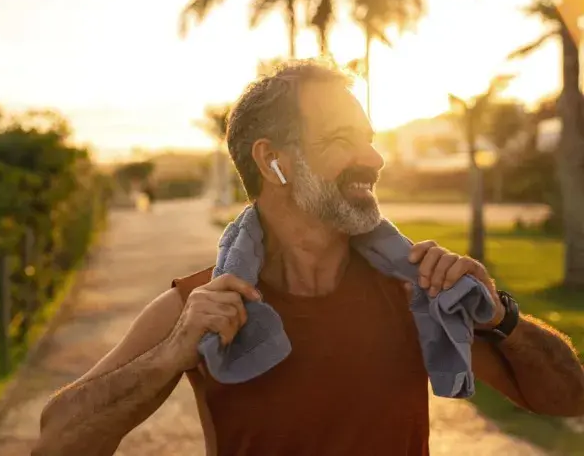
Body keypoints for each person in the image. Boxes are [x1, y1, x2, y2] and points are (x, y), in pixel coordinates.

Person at [32, 60, 584, 456]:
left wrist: (501, 316)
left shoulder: (418, 290)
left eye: (369, 138)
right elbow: (57, 442)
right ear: (274, 162)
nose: (373, 158)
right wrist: (173, 353)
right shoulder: (198, 308)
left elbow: (568, 399)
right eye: (342, 138)